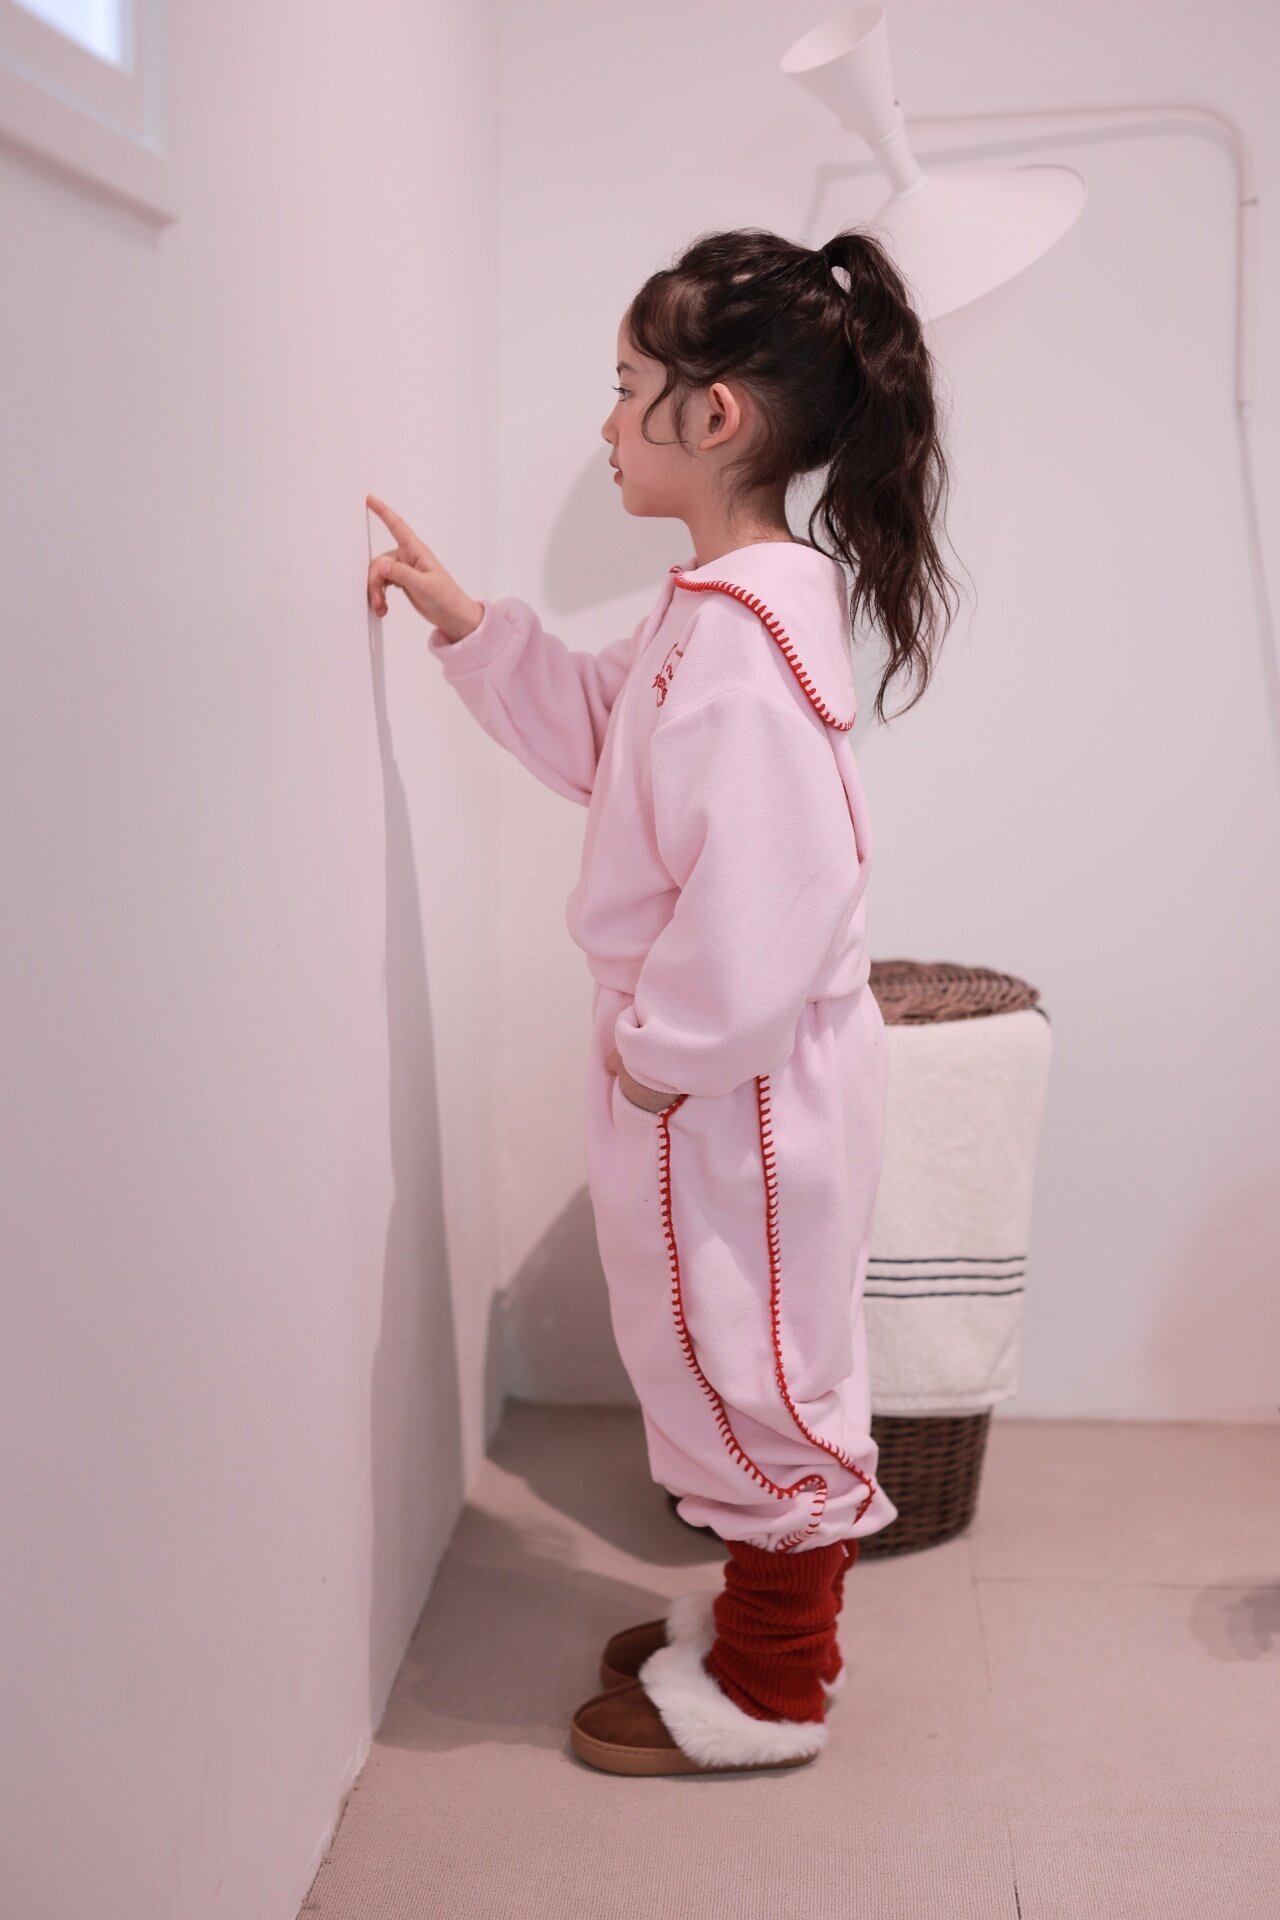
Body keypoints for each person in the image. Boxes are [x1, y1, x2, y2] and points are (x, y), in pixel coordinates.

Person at [365, 225, 959, 1778]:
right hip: (714, 1067)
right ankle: (759, 1623)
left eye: (630, 389)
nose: (610, 422)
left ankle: (774, 1686)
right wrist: (471, 625)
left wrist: (662, 1059)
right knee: (716, 1341)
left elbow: (776, 892)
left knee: (748, 1359)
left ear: (716, 416)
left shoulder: (747, 641)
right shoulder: (721, 608)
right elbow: (606, 736)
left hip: (727, 1079)